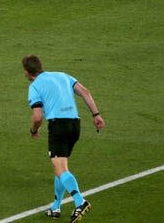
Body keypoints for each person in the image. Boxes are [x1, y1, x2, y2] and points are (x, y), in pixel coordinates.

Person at [23, 55, 105, 222]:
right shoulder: (63, 75)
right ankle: (56, 207)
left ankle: (79, 201)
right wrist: (96, 114)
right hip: (75, 125)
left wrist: (33, 130)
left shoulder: (35, 86)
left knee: (61, 169)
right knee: (60, 165)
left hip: (58, 127)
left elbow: (37, 116)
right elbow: (85, 92)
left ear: (27, 72)